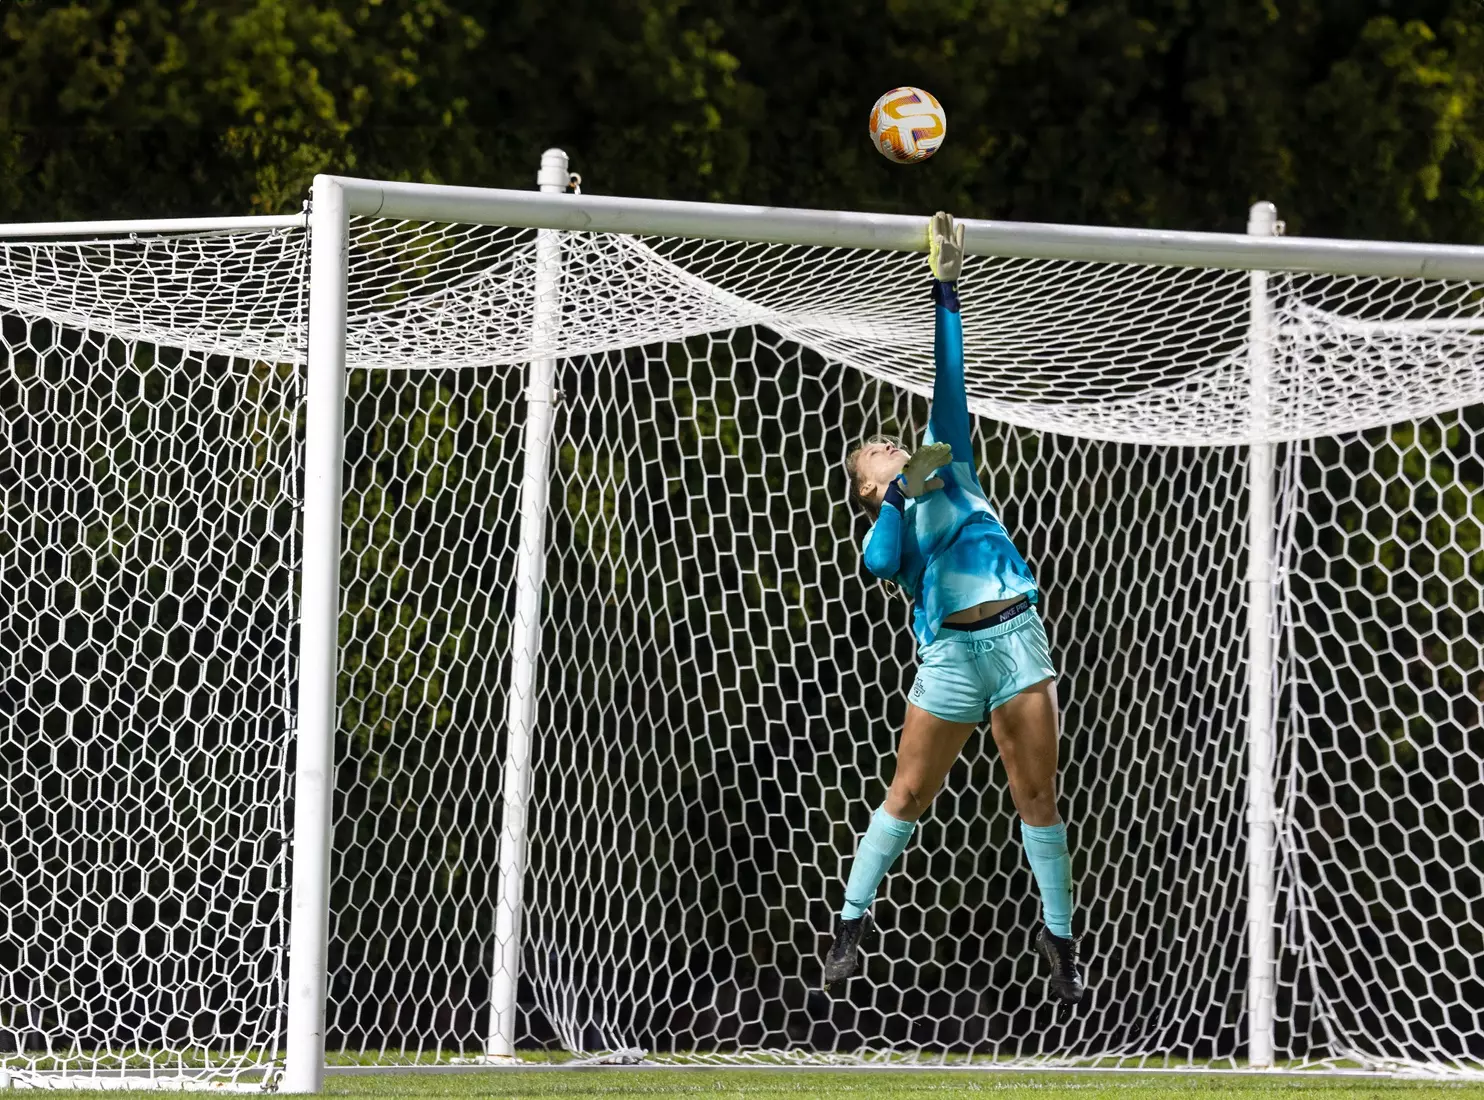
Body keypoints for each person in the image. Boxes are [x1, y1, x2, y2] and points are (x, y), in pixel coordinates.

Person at [825, 212, 1083, 1004]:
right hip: (948, 662)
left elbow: (949, 373)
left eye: (891, 443)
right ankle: (849, 927)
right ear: (867, 487)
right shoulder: (892, 526)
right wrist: (896, 502)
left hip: (1015, 639)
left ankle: (1062, 939)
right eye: (875, 455)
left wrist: (946, 287)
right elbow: (876, 564)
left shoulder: (951, 462)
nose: (890, 444)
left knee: (1036, 794)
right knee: (909, 794)